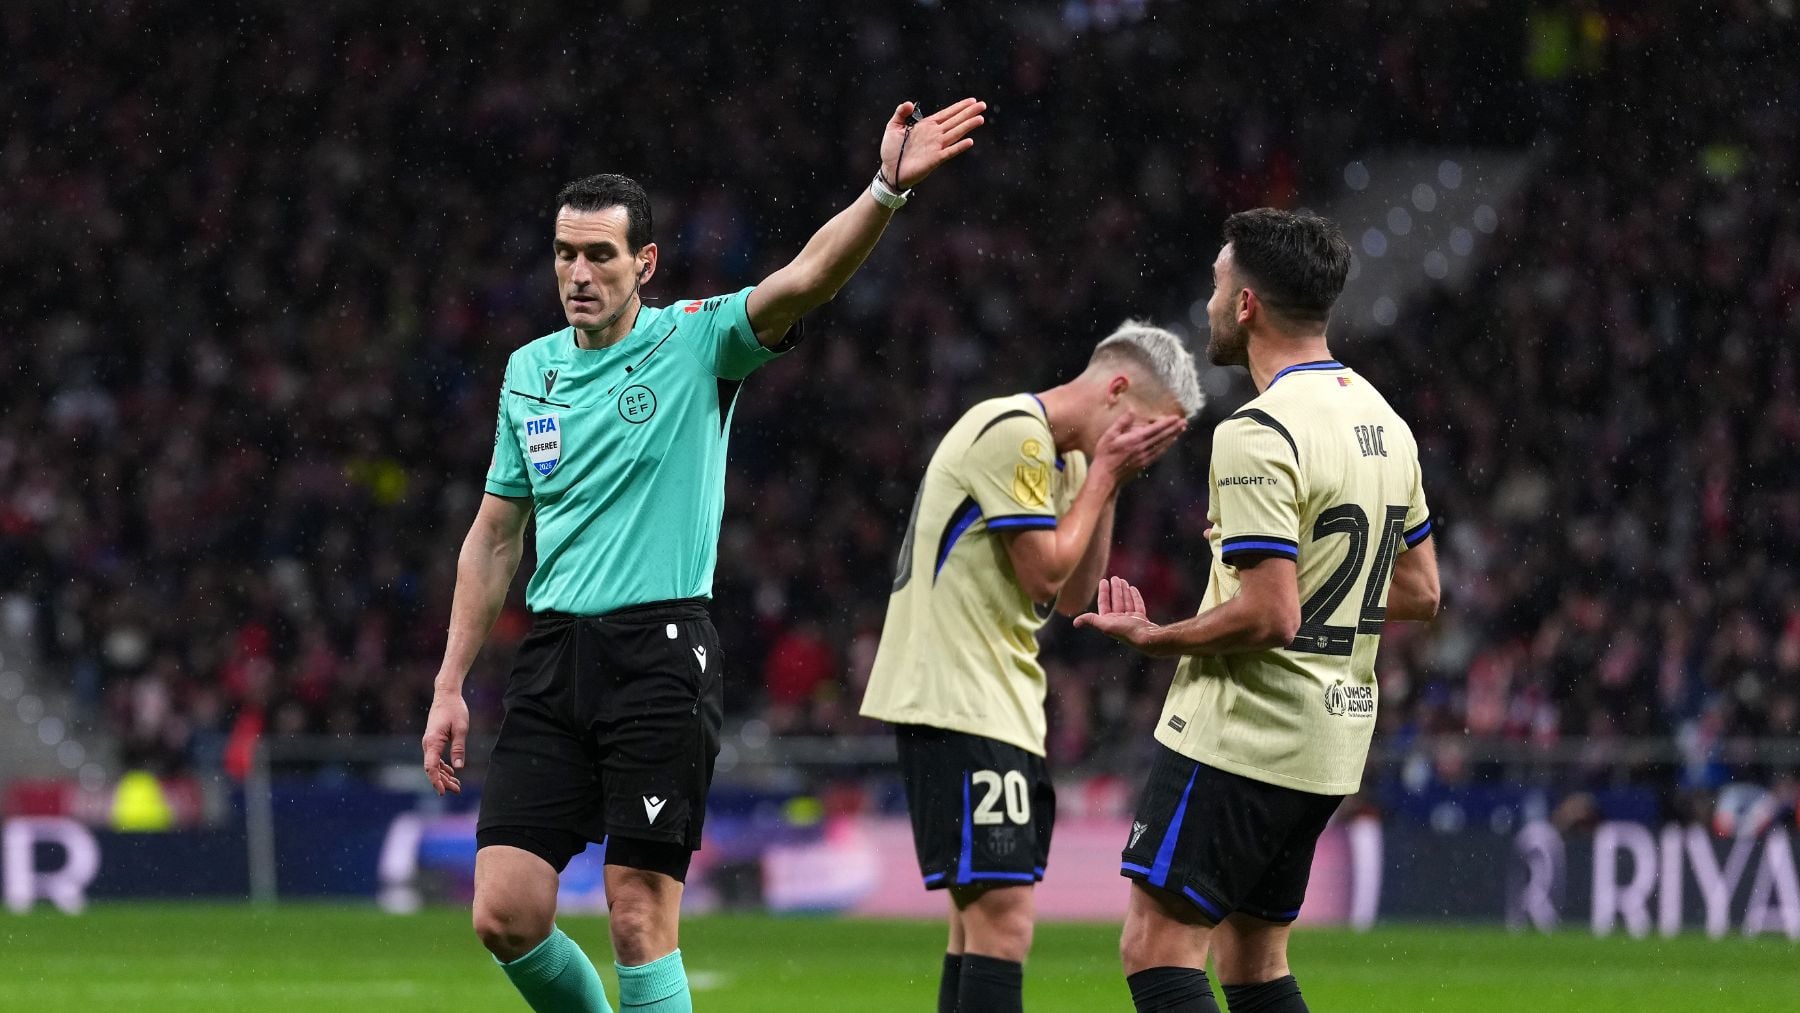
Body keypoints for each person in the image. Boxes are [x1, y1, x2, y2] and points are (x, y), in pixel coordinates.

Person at [419, 98, 987, 1013]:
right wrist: (451, 682)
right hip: (553, 656)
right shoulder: (530, 370)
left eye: (599, 255)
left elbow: (805, 279)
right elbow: (494, 533)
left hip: (658, 653)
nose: (578, 273)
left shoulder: (695, 340)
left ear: (643, 262)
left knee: (639, 913)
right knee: (505, 912)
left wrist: (885, 190)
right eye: (565, 254)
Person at [1075, 209, 1440, 1013]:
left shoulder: (1259, 430)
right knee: (1252, 957)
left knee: (1156, 947)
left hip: (1243, 733)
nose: (1209, 304)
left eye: (1215, 285)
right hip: (1329, 739)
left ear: (1247, 305)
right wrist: (1323, 583)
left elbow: (1269, 615)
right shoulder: (1386, 421)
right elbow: (1420, 590)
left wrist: (1157, 635)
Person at [860, 321, 1202, 1013]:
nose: (1145, 450)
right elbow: (1045, 568)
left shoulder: (1066, 461)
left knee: (978, 921)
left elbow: (1074, 595)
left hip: (997, 697)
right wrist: (1105, 472)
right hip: (956, 694)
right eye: (1145, 431)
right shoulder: (1012, 430)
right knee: (1005, 918)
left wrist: (1106, 480)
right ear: (1115, 389)